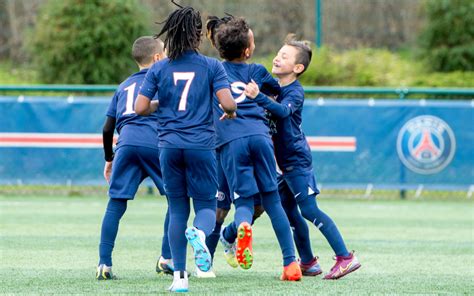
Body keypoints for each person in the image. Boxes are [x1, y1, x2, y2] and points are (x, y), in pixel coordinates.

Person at [134, 2, 237, 293]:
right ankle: (200, 235)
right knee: (205, 205)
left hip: (168, 146)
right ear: (199, 36)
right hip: (201, 145)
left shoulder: (159, 68)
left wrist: (159, 104)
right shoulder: (211, 66)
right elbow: (228, 103)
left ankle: (179, 278)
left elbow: (141, 107)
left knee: (177, 209)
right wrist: (229, 111)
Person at [246, 34, 361, 280]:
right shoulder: (273, 86)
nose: (277, 58)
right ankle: (308, 262)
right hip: (283, 165)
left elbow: (282, 112)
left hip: (297, 161)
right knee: (289, 212)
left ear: (298, 68)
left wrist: (258, 97)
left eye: (284, 56)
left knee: (309, 210)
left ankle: (345, 257)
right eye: (278, 53)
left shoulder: (295, 91)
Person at [205, 15, 302, 281]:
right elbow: (277, 92)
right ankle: (290, 265)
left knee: (242, 202)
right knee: (273, 202)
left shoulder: (213, 71)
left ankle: (241, 227)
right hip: (260, 137)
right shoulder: (256, 71)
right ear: (247, 50)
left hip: (230, 143)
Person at [96, 36, 173, 280]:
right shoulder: (164, 80)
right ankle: (166, 259)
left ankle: (104, 265)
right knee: (177, 200)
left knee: (116, 204)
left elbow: (108, 128)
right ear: (158, 57)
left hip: (126, 144)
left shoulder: (123, 85)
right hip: (155, 143)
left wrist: (110, 157)